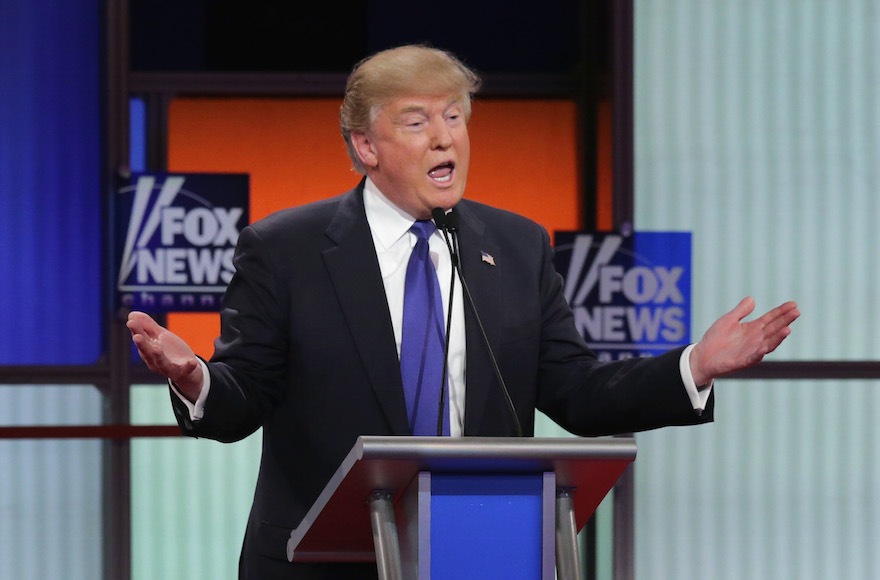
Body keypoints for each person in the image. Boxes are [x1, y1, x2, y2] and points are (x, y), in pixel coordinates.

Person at [127, 44, 800, 579]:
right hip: (323, 565)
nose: (445, 138)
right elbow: (247, 394)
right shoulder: (286, 249)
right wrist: (196, 380)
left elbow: (576, 391)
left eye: (455, 117)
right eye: (417, 122)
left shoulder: (516, 245)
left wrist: (692, 367)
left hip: (480, 554)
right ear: (367, 147)